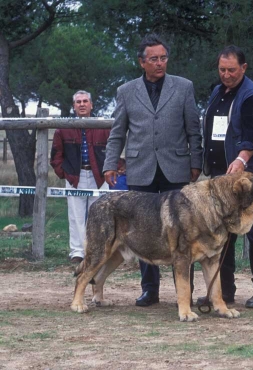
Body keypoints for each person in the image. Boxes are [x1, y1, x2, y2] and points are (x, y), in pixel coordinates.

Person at [103, 34, 202, 307]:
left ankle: (186, 292)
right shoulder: (126, 91)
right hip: (140, 169)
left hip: (177, 169)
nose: (160, 63)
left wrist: (196, 163)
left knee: (184, 233)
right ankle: (150, 289)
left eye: (163, 58)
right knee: (144, 231)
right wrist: (111, 163)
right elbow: (117, 132)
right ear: (142, 62)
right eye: (154, 59)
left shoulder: (184, 87)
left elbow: (194, 129)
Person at [198, 45, 253, 308]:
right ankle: (224, 291)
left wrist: (242, 159)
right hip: (221, 179)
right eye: (222, 69)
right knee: (221, 234)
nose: (226, 75)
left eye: (232, 70)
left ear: (244, 68)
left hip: (249, 176)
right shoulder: (217, 93)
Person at [50, 90, 110, 265]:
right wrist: (64, 173)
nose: (82, 104)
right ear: (74, 106)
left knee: (99, 214)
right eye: (78, 102)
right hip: (75, 176)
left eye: (85, 101)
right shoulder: (64, 128)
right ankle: (77, 252)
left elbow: (114, 149)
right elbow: (56, 154)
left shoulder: (104, 126)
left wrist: (111, 169)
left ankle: (97, 251)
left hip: (99, 176)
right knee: (75, 215)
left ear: (91, 104)